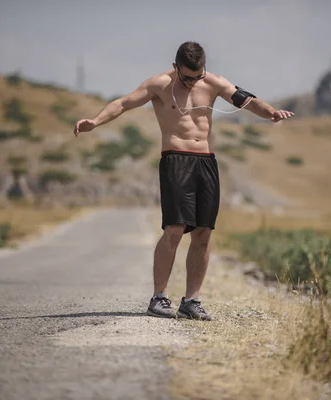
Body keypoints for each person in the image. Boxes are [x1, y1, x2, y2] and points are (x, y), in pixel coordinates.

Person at [73, 41, 293, 321]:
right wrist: (95, 121)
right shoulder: (159, 84)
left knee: (203, 232)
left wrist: (271, 112)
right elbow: (122, 103)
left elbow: (246, 99)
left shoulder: (213, 82)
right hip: (175, 159)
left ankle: (191, 301)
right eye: (187, 77)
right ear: (176, 67)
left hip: (206, 161)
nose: (192, 83)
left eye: (197, 76)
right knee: (175, 229)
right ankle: (158, 297)